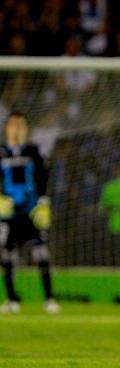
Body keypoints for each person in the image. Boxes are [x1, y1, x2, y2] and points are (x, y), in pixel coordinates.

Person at [0, 112, 58, 314]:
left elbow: (43, 175)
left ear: (26, 128)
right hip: (8, 213)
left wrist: (43, 201)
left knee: (41, 253)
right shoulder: (1, 153)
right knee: (6, 255)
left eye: (21, 124)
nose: (17, 128)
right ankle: (12, 300)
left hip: (32, 210)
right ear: (6, 128)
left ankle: (50, 299)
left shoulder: (33, 151)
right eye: (13, 124)